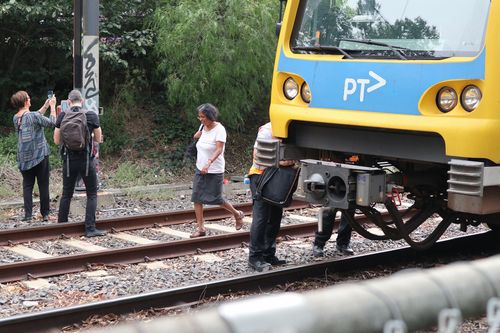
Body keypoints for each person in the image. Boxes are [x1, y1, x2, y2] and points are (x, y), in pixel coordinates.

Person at [53, 89, 106, 237]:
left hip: (69, 162)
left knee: (66, 194)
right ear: (82, 101)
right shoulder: (90, 115)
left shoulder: (63, 115)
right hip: (86, 161)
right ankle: (90, 228)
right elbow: (98, 139)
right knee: (92, 193)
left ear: (69, 102)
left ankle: (61, 228)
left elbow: (56, 140)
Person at [190, 103, 244, 238]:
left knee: (217, 199)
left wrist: (208, 163)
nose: (201, 119)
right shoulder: (203, 127)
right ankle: (201, 228)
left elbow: (219, 149)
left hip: (214, 169)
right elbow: (199, 140)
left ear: (210, 116)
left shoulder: (219, 129)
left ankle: (237, 214)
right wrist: (197, 135)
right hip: (200, 168)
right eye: (199, 117)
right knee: (196, 198)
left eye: (203, 117)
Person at [247, 122, 296, 272]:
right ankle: (255, 257)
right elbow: (257, 155)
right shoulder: (267, 130)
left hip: (276, 178)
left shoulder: (292, 130)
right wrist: (282, 162)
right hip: (261, 177)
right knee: (261, 218)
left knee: (275, 217)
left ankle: (268, 254)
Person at [11, 90, 56, 222]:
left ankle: (28, 215)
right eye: (28, 98)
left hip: (23, 158)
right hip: (39, 156)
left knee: (27, 185)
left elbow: (33, 116)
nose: (30, 99)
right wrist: (53, 107)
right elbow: (52, 123)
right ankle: (45, 213)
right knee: (43, 185)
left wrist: (45, 106)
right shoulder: (32, 117)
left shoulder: (16, 118)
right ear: (25, 101)